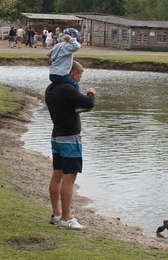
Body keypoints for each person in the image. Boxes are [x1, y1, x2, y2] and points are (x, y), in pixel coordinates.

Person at [45, 60, 97, 230]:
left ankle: (56, 214)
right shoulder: (67, 89)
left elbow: (68, 107)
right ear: (74, 74)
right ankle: (66, 219)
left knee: (57, 176)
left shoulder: (50, 88)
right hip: (69, 138)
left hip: (56, 137)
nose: (79, 80)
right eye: (80, 76)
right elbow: (88, 103)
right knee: (69, 178)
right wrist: (91, 93)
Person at [47, 28, 86, 112]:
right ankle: (77, 105)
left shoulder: (58, 45)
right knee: (75, 85)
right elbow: (77, 46)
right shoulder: (68, 46)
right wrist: (71, 39)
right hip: (61, 74)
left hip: (52, 74)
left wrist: (57, 59)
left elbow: (49, 54)